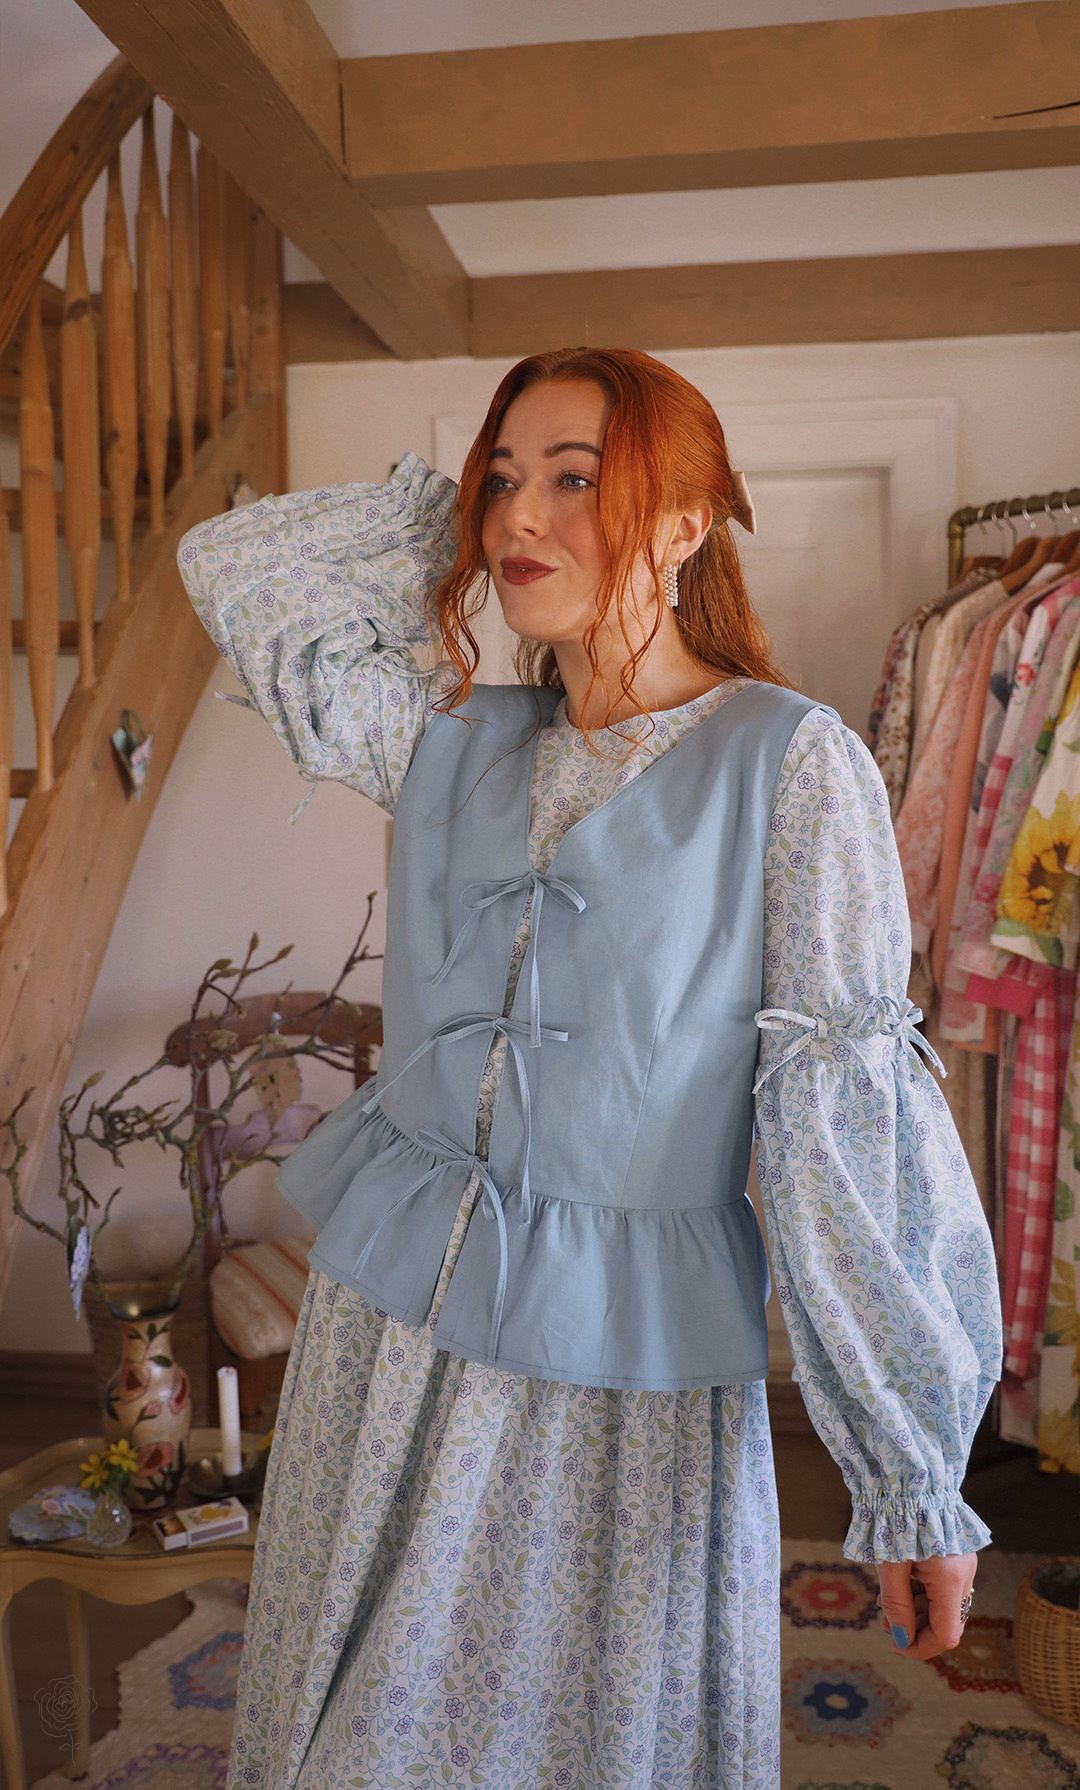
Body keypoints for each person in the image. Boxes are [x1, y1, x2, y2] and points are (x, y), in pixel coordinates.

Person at [178, 347, 1000, 1788]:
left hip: (615, 1377)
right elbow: (233, 570)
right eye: (501, 480)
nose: (519, 516)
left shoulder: (792, 762)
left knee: (576, 1741)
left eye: (576, 479)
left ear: (684, 524)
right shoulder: (446, 738)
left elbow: (841, 1125)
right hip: (388, 1342)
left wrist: (909, 1470)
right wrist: (450, 512)